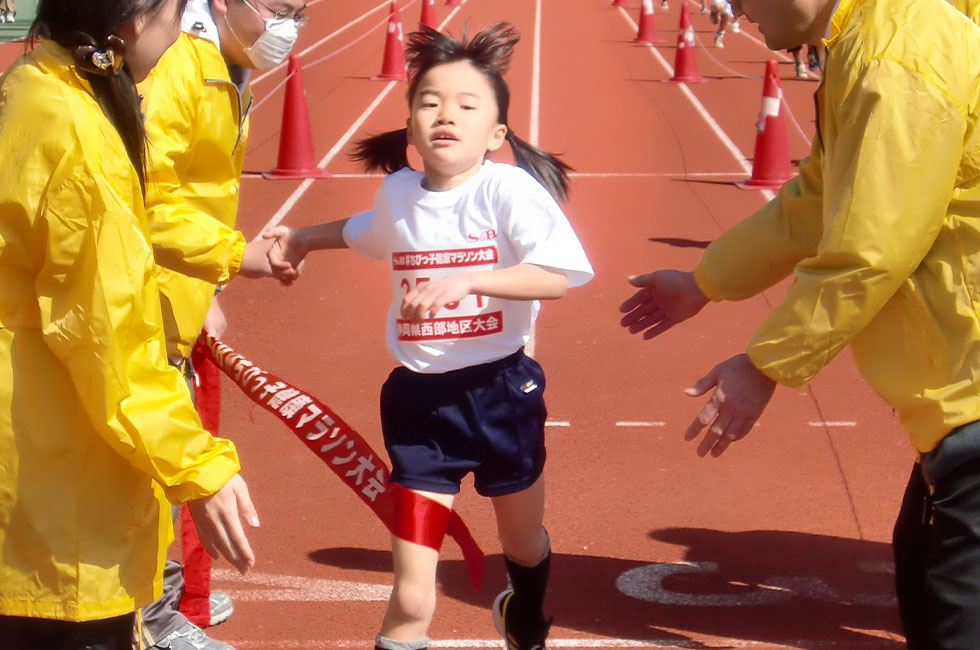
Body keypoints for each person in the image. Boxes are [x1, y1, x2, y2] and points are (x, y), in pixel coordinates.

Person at [619, 0, 980, 646]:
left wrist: (765, 365)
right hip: (955, 398)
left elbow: (874, 247)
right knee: (924, 579)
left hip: (971, 393)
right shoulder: (866, 42)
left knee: (952, 609)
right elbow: (817, 198)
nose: (739, 7)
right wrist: (704, 283)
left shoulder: (894, 57)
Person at [265, 22, 594, 650]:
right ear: (411, 127)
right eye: (429, 102)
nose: (447, 115)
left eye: (468, 106)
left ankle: (524, 613)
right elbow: (366, 229)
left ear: (497, 133)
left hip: (502, 392)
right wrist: (304, 237)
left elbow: (555, 276)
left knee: (522, 541)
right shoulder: (398, 196)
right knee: (412, 596)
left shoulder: (508, 190)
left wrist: (468, 279)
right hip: (420, 406)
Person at [0, 0, 261, 648]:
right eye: (177, 11)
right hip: (60, 504)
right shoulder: (78, 129)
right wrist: (197, 466)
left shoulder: (37, 86)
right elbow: (108, 340)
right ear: (137, 19)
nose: (182, 29)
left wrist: (227, 254)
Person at [134, 0, 306, 647]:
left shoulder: (223, 58)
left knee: (155, 451)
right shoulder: (176, 61)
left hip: (174, 285)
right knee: (141, 451)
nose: (288, 25)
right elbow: (145, 195)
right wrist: (234, 255)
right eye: (278, 7)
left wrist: (204, 285)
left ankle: (153, 589)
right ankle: (145, 617)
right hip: (141, 293)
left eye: (303, 11)